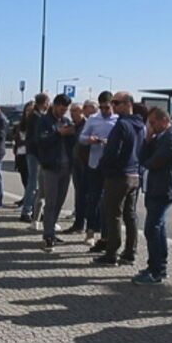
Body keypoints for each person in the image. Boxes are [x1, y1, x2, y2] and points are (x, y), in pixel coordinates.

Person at [132, 107, 172, 284]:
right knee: (158, 229)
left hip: (163, 190)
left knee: (152, 229)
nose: (151, 127)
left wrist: (148, 159)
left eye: (153, 123)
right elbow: (142, 158)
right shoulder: (159, 138)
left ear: (164, 121)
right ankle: (156, 266)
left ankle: (157, 270)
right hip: (154, 188)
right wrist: (147, 141)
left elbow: (153, 162)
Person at [94, 92, 146, 266]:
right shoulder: (141, 125)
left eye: (116, 103)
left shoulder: (122, 125)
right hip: (134, 174)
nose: (113, 106)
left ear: (127, 104)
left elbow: (112, 151)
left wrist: (104, 167)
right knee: (130, 215)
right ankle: (130, 252)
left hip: (118, 175)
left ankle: (111, 253)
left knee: (113, 214)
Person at [35, 94, 76, 251]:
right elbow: (40, 141)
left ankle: (52, 230)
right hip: (51, 167)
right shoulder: (44, 121)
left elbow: (72, 143)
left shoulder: (66, 121)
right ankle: (48, 235)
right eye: (61, 108)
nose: (63, 112)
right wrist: (58, 134)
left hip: (66, 167)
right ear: (54, 105)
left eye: (65, 109)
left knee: (59, 201)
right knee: (51, 202)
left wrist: (71, 134)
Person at [81, 91, 118, 248]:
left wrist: (110, 142)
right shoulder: (92, 119)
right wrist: (90, 140)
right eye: (101, 107)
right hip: (94, 163)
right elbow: (81, 138)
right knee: (93, 199)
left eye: (106, 107)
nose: (104, 110)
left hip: (110, 166)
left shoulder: (118, 120)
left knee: (108, 202)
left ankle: (105, 234)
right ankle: (90, 230)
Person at [64, 101, 95, 235]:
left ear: (81, 111)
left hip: (85, 165)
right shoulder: (72, 126)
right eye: (71, 111)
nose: (73, 114)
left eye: (75, 111)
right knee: (79, 195)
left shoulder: (86, 125)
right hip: (75, 164)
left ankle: (86, 225)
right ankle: (79, 223)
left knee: (85, 196)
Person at [20, 93, 50, 223]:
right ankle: (27, 210)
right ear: (44, 102)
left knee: (35, 184)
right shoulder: (37, 117)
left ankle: (33, 210)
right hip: (35, 153)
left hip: (33, 152)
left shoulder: (35, 115)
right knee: (34, 184)